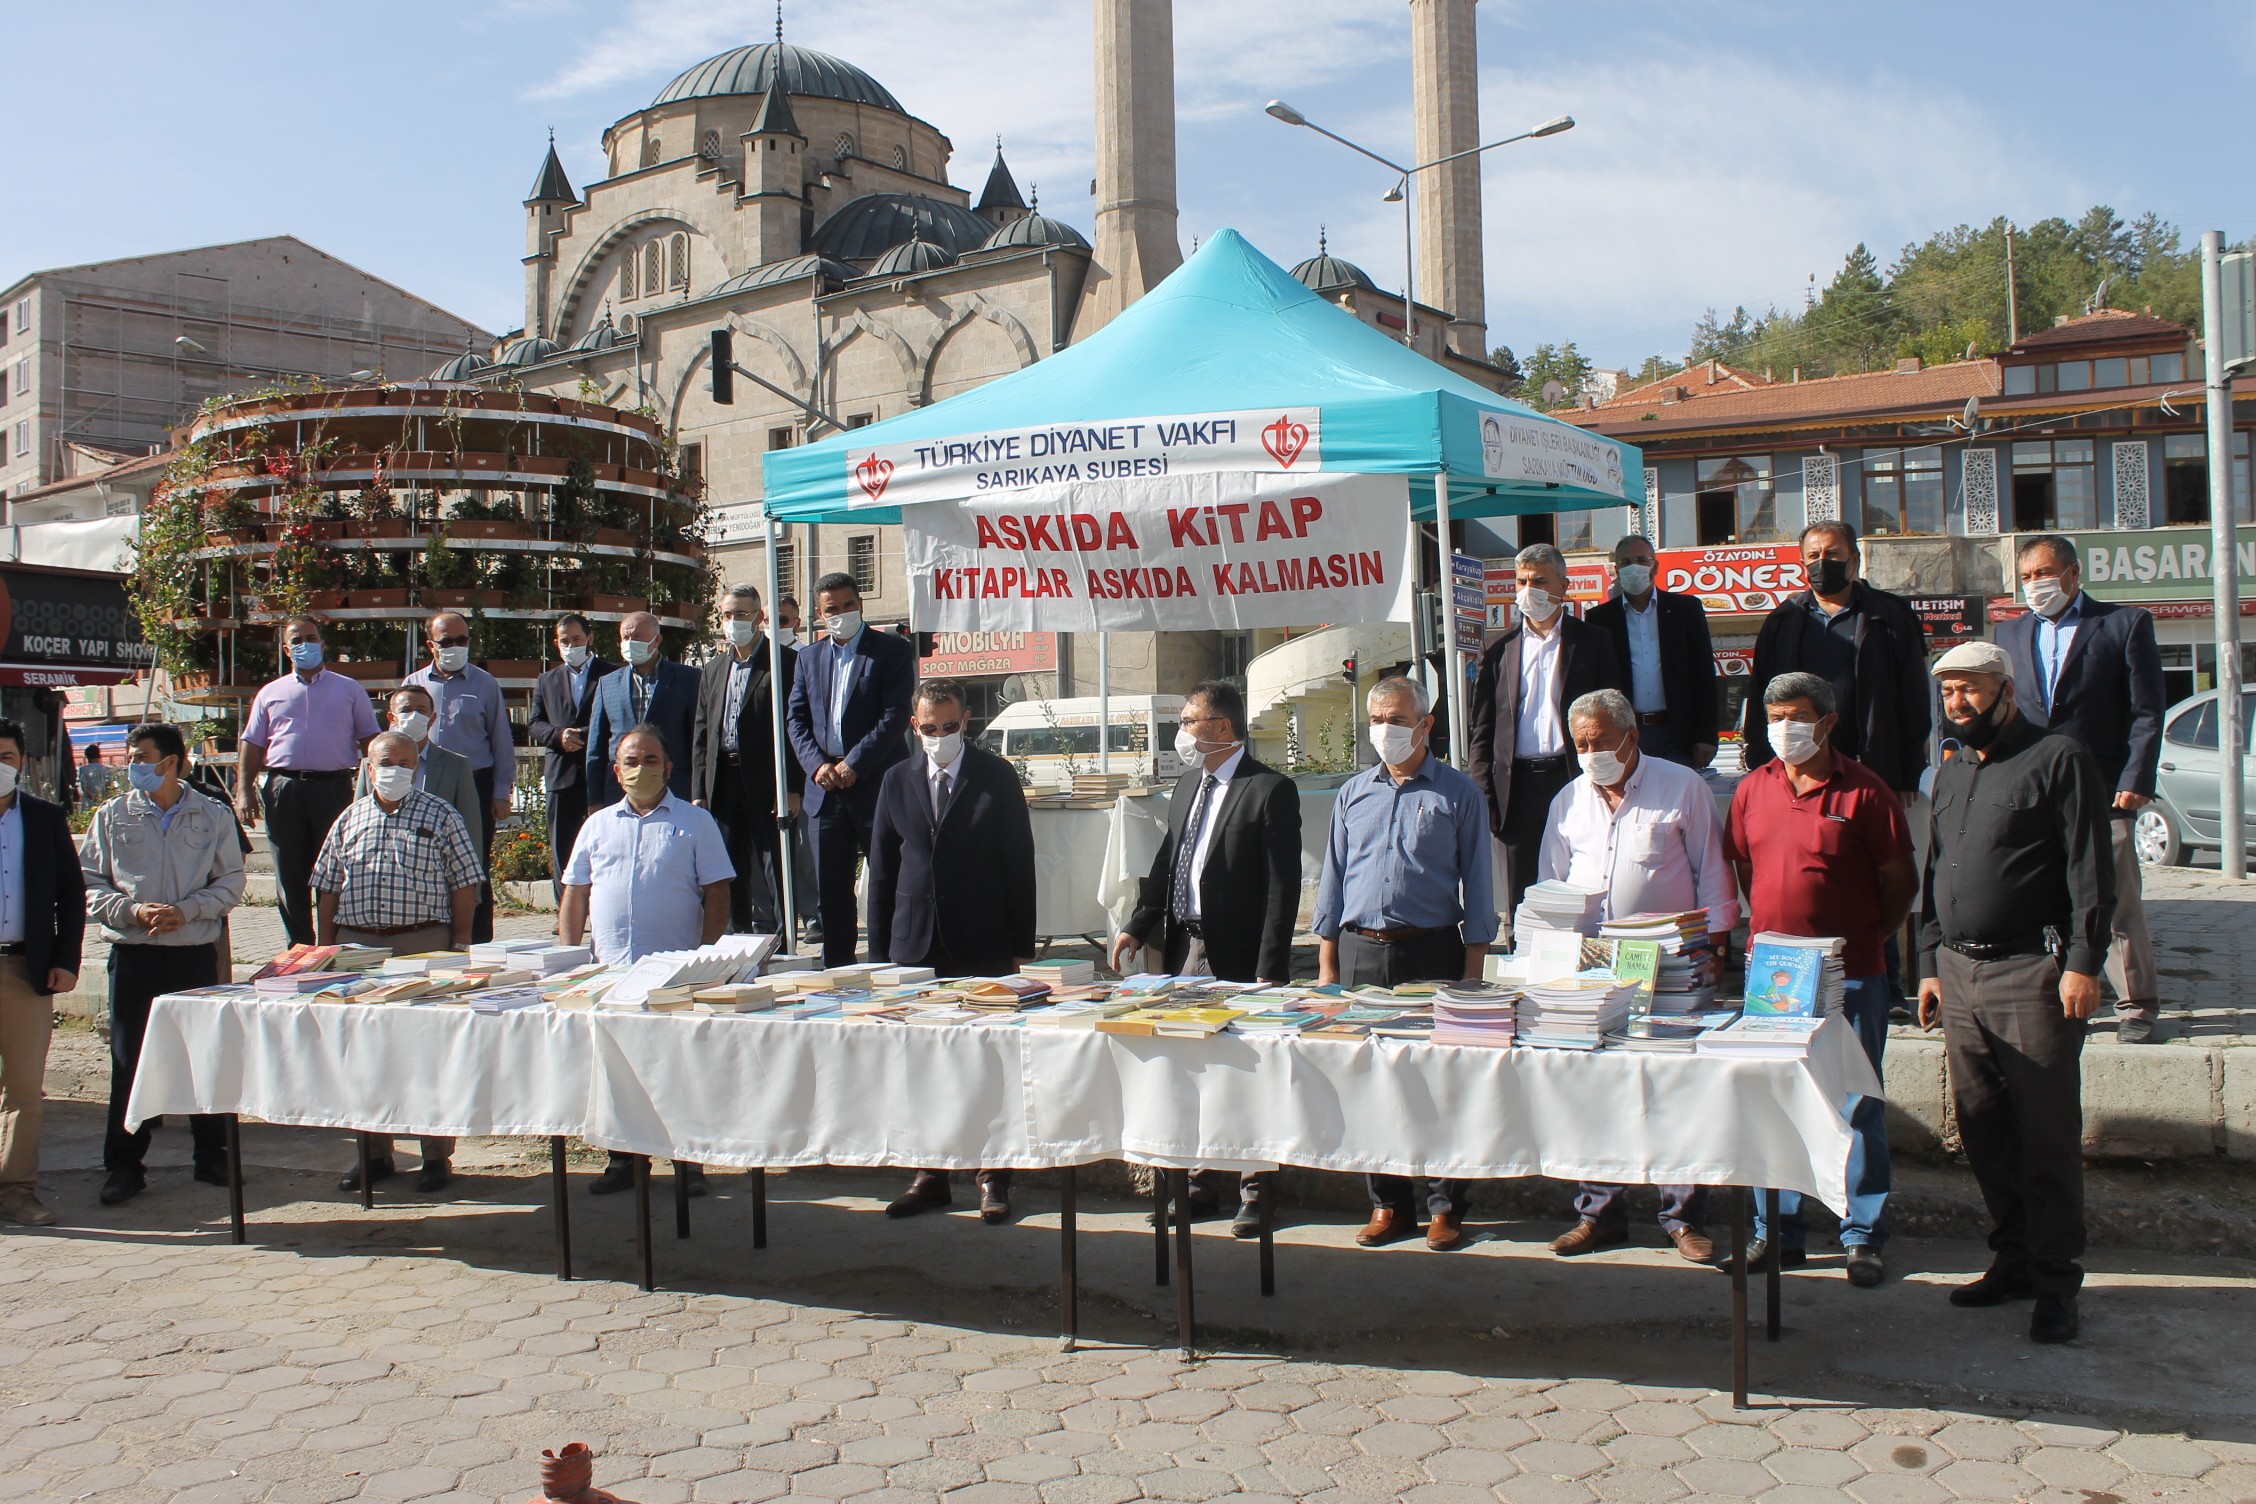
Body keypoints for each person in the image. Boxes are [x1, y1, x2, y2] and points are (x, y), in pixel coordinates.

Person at [1918, 640, 2114, 1345]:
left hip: (2034, 974)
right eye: (1947, 693)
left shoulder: (2058, 759)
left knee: (2046, 1134)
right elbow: (1935, 871)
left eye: (1969, 690)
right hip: (1960, 975)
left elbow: (2092, 870)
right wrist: (1929, 963)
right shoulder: (1950, 771)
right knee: (1983, 1127)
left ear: (2005, 690)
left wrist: (2085, 962)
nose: (1958, 703)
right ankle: (2015, 1261)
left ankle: (2058, 1282)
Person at [1724, 672, 1917, 1285]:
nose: (1784, 729)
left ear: (1827, 722)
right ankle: (1776, 1232)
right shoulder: (1752, 790)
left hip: (1851, 975)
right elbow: (1743, 864)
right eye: (1774, 717)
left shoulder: (1865, 791)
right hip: (1773, 977)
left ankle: (1862, 1234)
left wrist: (1864, 942)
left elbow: (1901, 883)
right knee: (1774, 1101)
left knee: (1855, 1103)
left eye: (1797, 717)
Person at [1537, 688, 1736, 1264]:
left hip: (1671, 962)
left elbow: (1712, 873)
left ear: (1633, 737)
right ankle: (1599, 1214)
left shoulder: (1682, 787)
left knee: (1674, 1090)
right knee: (1595, 1093)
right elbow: (1551, 886)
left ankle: (1682, 1218)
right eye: (1581, 744)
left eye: (1601, 741)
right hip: (1593, 967)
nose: (1591, 752)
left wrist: (1715, 948)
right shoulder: (1568, 801)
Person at [1112, 679, 1302, 1236]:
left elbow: (1281, 887)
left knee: (1243, 1071)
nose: (1183, 734)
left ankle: (1254, 1188)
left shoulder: (1268, 789)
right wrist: (1138, 924)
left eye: (1189, 722)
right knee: (1190, 1069)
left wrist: (1271, 967)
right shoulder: (1188, 784)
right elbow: (1170, 860)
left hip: (1240, 955)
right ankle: (1199, 1185)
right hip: (1184, 948)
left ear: (1220, 727)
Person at [1314, 677, 1496, 1253]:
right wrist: (1327, 967)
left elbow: (1480, 886)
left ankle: (1446, 1205)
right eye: (1375, 720)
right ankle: (1388, 1202)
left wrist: (1474, 970)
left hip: (1432, 949)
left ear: (1424, 724)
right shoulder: (1352, 793)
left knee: (1437, 1083)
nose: (1384, 730)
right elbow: (1332, 882)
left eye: (1395, 718)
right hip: (1362, 951)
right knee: (1373, 1082)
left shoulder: (1458, 794)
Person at [867, 680, 1036, 1225]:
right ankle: (929, 1174)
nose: (938, 737)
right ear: (914, 726)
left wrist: (1018, 946)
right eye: (928, 728)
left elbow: (1019, 863)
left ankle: (993, 1174)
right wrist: (878, 955)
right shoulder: (896, 779)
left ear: (966, 721)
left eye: (948, 726)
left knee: (984, 1061)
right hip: (915, 944)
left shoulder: (996, 777)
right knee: (922, 1064)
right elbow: (883, 868)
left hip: (981, 942)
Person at [1998, 534, 2168, 1043]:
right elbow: (2006, 712)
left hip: (2105, 787)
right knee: (2045, 896)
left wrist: (2137, 778)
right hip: (2034, 787)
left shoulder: (2122, 625)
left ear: (2073, 573)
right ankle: (2065, 996)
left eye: (2044, 574)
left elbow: (2146, 711)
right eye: (2026, 576)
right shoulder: (2009, 635)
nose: (2035, 585)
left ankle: (2137, 1005)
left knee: (2113, 896)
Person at [561, 725, 733, 1198]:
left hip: (676, 976)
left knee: (680, 1068)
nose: (641, 770)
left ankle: (689, 1161)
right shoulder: (596, 825)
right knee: (619, 1073)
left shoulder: (697, 824)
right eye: (631, 762)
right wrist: (570, 958)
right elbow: (575, 895)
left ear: (669, 767)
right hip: (611, 973)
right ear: (616, 772)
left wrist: (707, 959)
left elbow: (717, 893)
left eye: (651, 760)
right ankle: (624, 1159)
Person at [310, 731, 484, 1195]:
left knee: (426, 1054)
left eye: (406, 763)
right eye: (387, 762)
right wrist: (323, 948)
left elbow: (465, 881)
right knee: (363, 1055)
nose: (395, 771)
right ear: (368, 768)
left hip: (423, 945)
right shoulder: (349, 819)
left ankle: (434, 1156)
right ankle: (373, 1153)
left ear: (417, 767)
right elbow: (326, 887)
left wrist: (461, 943)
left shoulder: (441, 814)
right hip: (359, 950)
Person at [79, 722, 245, 1206]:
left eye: (140, 756)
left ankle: (211, 1155)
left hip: (193, 954)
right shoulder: (112, 815)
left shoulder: (212, 814)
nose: (132, 764)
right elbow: (90, 882)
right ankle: (125, 1165)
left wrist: (186, 911)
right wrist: (132, 911)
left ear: (170, 762)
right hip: (133, 956)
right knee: (128, 1062)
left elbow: (230, 881)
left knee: (202, 1057)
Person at [1469, 542, 1626, 929]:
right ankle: (1521, 962)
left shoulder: (1592, 641)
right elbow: (1482, 728)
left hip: (1573, 777)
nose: (1528, 590)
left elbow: (1614, 713)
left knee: (1580, 880)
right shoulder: (1498, 649)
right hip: (1516, 787)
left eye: (1539, 581)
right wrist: (1483, 791)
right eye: (1521, 581)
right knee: (1521, 896)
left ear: (1563, 585)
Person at [1742, 521, 1930, 797]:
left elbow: (1913, 696)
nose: (1822, 562)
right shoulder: (1783, 620)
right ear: (1802, 563)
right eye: (1813, 556)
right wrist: (1761, 765)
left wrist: (1909, 771)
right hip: (1800, 772)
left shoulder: (1889, 616)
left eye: (1832, 554)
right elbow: (1762, 694)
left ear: (1853, 559)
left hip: (1872, 771)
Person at [786, 572, 916, 965]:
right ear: (819, 614)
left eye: (847, 606)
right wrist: (817, 766)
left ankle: (890, 961)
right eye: (831, 610)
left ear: (860, 605)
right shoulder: (808, 658)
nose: (840, 614)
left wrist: (853, 763)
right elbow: (796, 719)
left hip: (875, 784)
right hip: (825, 792)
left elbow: (895, 715)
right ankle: (838, 968)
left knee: (885, 881)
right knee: (831, 889)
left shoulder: (890, 651)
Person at [237, 617, 381, 946]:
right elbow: (253, 743)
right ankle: (299, 947)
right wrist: (244, 791)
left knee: (334, 871)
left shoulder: (349, 690)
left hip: (333, 789)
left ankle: (333, 945)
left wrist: (377, 787)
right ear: (286, 649)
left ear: (323, 642)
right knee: (290, 873)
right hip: (283, 789)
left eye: (311, 637)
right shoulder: (270, 693)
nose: (305, 645)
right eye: (297, 640)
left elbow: (370, 740)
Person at [0, 718, 84, 1227]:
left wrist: (65, 960)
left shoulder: (43, 818)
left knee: (25, 1089)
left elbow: (70, 895)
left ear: (22, 763)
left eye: (5, 757)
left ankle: (16, 1187)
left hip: (23, 969)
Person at [692, 584, 801, 932]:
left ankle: (785, 940)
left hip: (768, 779)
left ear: (758, 617)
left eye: (741, 614)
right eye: (727, 615)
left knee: (775, 861)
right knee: (728, 864)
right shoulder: (713, 669)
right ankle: (739, 935)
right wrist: (699, 790)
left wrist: (794, 786)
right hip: (723, 778)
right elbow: (702, 731)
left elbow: (795, 728)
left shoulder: (784, 663)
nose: (733, 621)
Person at [405, 611, 517, 944]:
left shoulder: (485, 684)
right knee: (425, 860)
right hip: (426, 784)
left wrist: (501, 792)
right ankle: (431, 936)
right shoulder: (414, 685)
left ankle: (477, 942)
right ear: (431, 645)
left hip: (474, 785)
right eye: (447, 642)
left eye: (462, 640)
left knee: (473, 865)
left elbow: (500, 740)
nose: (455, 647)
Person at [1584, 534, 1718, 770]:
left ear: (1654, 566)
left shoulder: (1685, 610)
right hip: (1625, 733)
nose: (1633, 567)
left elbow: (1704, 674)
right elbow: (1597, 683)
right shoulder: (1599, 619)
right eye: (1625, 563)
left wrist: (1706, 735)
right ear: (1616, 569)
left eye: (1641, 560)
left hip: (1677, 734)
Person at [529, 614, 616, 899]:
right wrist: (559, 736)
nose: (571, 645)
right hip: (561, 773)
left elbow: (618, 716)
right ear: (556, 643)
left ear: (589, 638)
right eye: (564, 641)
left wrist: (586, 734)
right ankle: (564, 910)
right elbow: (535, 723)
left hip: (601, 772)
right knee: (563, 846)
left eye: (576, 639)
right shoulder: (546, 680)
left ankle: (602, 905)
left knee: (605, 844)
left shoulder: (612, 674)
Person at [585, 613, 699, 810]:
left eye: (637, 637)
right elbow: (596, 748)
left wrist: (698, 793)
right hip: (619, 792)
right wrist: (595, 799)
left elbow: (697, 742)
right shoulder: (607, 683)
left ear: (657, 640)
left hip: (674, 789)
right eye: (625, 638)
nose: (630, 643)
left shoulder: (688, 679)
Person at [360, 685, 484, 863]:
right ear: (391, 717)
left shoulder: (456, 767)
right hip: (380, 871)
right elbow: (359, 821)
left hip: (434, 874)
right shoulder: (369, 766)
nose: (413, 716)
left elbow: (470, 833)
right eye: (406, 710)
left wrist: (472, 887)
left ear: (432, 719)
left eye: (421, 711)